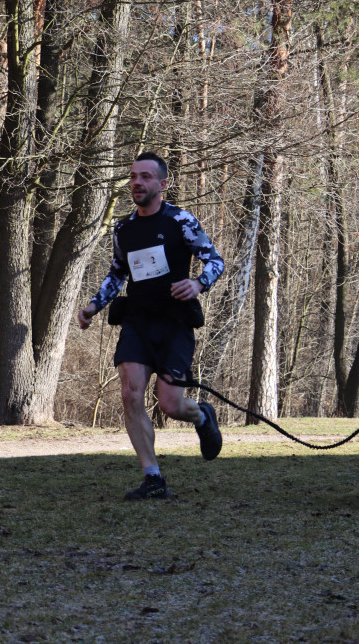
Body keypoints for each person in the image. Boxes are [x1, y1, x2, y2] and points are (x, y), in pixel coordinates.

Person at [78, 151, 225, 500]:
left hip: (174, 324)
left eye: (145, 177)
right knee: (131, 394)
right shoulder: (124, 228)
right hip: (137, 322)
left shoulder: (181, 221)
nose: (137, 182)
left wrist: (198, 283)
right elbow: (118, 272)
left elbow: (214, 260)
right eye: (132, 176)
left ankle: (202, 416)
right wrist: (93, 306)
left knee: (172, 405)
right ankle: (153, 477)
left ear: (162, 183)